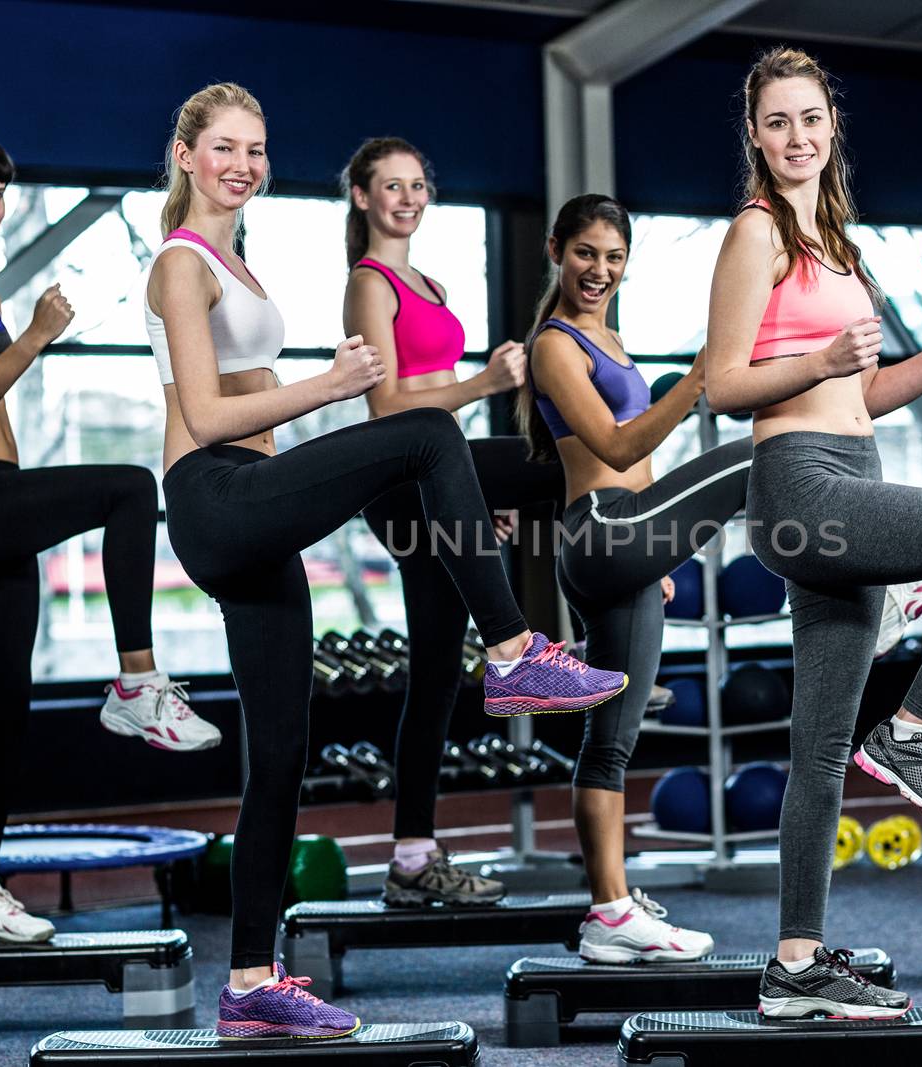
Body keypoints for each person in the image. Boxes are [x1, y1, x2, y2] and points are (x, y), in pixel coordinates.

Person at [146, 83, 625, 1039]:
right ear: (189, 155)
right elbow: (202, 419)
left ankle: (248, 982)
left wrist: (317, 429)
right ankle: (515, 650)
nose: (244, 164)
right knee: (424, 436)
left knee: (280, 754)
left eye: (258, 149)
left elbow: (256, 406)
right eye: (227, 148)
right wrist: (331, 383)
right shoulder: (178, 263)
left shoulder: (237, 266)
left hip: (259, 507)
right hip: (213, 495)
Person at [704, 47, 922, 1018]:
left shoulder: (837, 243)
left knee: (817, 751)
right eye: (776, 122)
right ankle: (913, 729)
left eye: (810, 119)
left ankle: (793, 964)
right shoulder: (756, 232)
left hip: (850, 470)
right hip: (798, 486)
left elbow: (862, 394)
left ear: (831, 126)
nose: (796, 138)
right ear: (755, 134)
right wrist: (818, 356)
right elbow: (722, 384)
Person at [0, 134, 215, 944]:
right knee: (129, 489)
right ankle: (136, 682)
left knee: (6, 708)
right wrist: (34, 336)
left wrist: (24, 328)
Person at [520, 193, 751, 962]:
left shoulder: (609, 334)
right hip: (601, 528)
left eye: (614, 257)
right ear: (557, 249)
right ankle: (869, 587)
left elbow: (640, 467)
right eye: (586, 252)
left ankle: (609, 913)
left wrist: (663, 555)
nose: (600, 269)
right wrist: (698, 382)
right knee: (756, 460)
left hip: (631, 540)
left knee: (611, 741)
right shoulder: (555, 345)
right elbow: (617, 449)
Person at [341, 137, 563, 908]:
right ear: (363, 197)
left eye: (418, 184)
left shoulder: (428, 282)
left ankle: (410, 858)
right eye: (391, 186)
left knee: (436, 672)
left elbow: (443, 428)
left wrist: (470, 491)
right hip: (398, 482)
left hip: (441, 477)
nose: (408, 197)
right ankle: (572, 638)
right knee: (565, 462)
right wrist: (486, 382)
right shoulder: (369, 284)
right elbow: (387, 409)